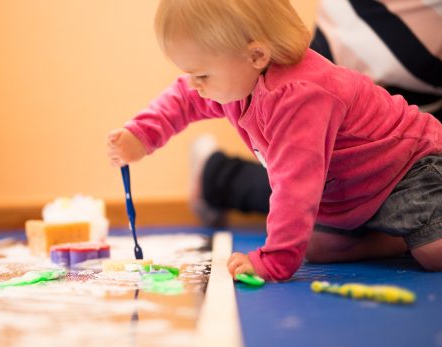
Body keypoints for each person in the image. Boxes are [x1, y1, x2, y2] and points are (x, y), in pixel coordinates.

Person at [106, 0, 442, 281]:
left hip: (408, 165)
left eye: (202, 75)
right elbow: (183, 98)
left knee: (434, 253)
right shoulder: (236, 80)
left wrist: (275, 260)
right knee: (317, 247)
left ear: (256, 56)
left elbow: (295, 187)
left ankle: (415, 236)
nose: (195, 84)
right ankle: (397, 238)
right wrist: (141, 134)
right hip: (354, 189)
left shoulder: (299, 98)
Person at [192, 0, 442, 227]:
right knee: (311, 175)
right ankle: (217, 177)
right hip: (367, 66)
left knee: (311, 175)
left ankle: (217, 176)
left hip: (370, 76)